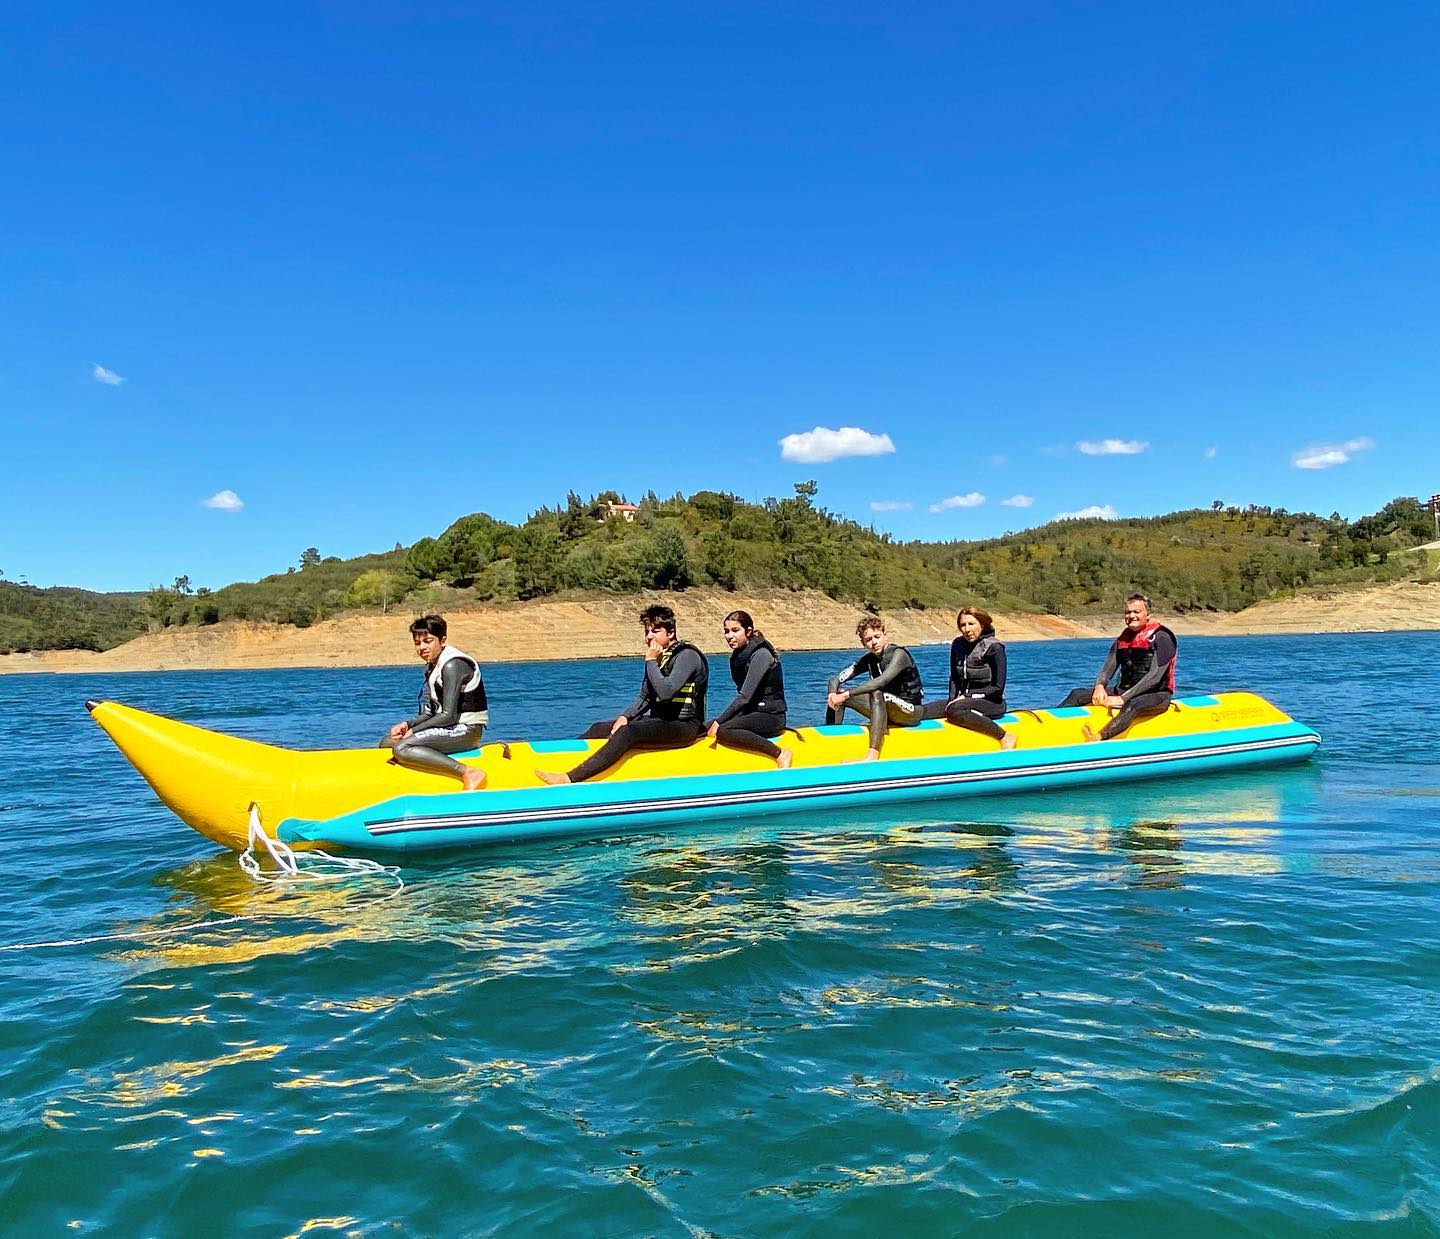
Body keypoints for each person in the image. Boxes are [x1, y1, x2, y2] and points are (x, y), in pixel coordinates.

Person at [537, 604, 709, 784]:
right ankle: (563, 764)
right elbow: (645, 697)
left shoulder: (687, 656)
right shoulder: (658, 656)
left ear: (671, 633)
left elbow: (666, 692)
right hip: (660, 722)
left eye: (656, 631)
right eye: (647, 632)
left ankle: (570, 778)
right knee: (600, 728)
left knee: (629, 732)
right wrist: (625, 716)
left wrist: (651, 661)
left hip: (684, 727)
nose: (649, 637)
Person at [381, 614, 488, 790]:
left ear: (442, 639)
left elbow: (448, 716)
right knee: (387, 742)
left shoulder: (453, 665)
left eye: (428, 641)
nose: (422, 647)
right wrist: (407, 725)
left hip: (467, 730)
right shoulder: (434, 665)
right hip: (449, 727)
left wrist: (414, 732)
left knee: (402, 748)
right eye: (417, 643)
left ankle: (467, 772)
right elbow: (430, 712)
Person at [1057, 593, 1177, 741]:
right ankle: (1046, 725)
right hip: (1123, 690)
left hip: (1157, 695)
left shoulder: (1162, 637)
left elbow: (1154, 677)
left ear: (1148, 614)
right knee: (1077, 694)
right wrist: (1099, 686)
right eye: (1128, 612)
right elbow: (1108, 669)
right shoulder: (1122, 639)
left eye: (1136, 612)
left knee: (1132, 705)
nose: (1131, 615)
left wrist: (1123, 698)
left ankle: (1099, 737)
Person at [825, 616, 924, 762]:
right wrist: (833, 694)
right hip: (885, 708)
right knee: (839, 694)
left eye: (877, 637)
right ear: (863, 643)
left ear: (885, 634)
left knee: (876, 693)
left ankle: (872, 756)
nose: (874, 643)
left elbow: (881, 681)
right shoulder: (868, 660)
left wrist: (847, 694)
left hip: (911, 711)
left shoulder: (899, 655)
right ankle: (830, 739)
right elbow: (835, 679)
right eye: (868, 640)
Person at [923, 605, 1017, 750]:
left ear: (982, 624)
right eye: (962, 625)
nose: (967, 629)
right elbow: (954, 677)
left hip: (992, 702)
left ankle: (1004, 736)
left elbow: (998, 687)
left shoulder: (994, 647)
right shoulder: (957, 644)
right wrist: (951, 699)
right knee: (923, 712)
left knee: (956, 710)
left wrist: (967, 695)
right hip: (961, 701)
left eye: (971, 624)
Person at [706, 610, 792, 768]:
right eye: (726, 631)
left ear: (749, 631)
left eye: (735, 630)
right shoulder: (738, 656)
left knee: (724, 730)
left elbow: (744, 696)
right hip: (752, 713)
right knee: (704, 727)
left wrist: (719, 721)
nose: (730, 636)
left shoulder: (761, 655)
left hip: (771, 716)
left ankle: (779, 753)